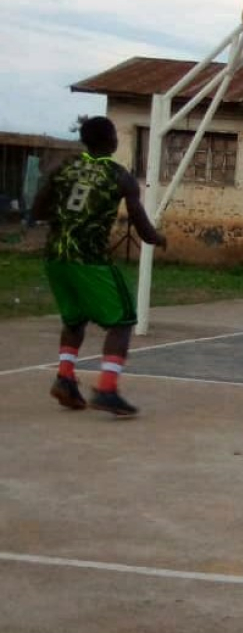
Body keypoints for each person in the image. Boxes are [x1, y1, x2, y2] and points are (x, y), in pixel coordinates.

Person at [32, 116, 166, 417]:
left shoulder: (62, 168)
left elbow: (38, 209)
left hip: (55, 256)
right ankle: (107, 389)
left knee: (75, 318)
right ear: (111, 141)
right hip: (89, 259)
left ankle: (65, 378)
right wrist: (158, 238)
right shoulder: (120, 177)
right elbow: (141, 226)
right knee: (122, 321)